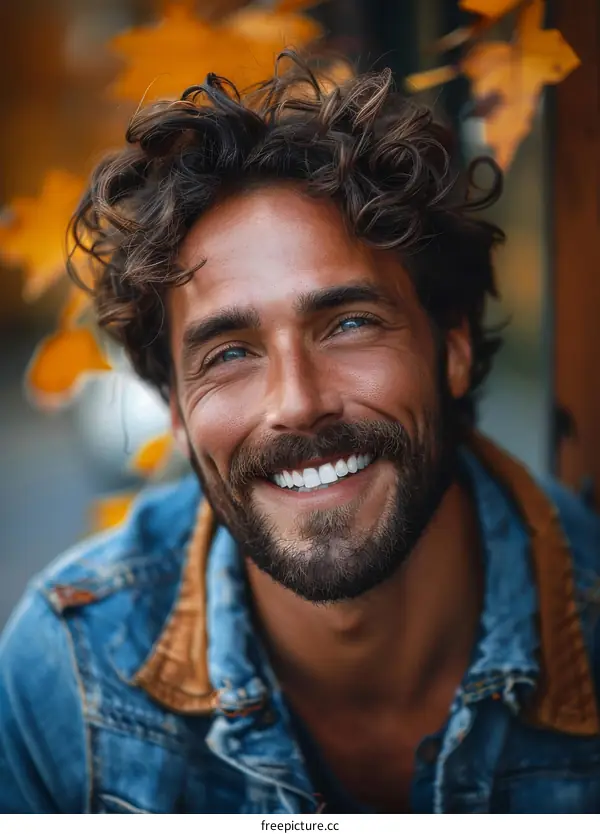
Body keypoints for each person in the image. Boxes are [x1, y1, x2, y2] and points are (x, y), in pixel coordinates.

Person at [1, 54, 599, 815]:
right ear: (179, 416)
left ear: (451, 347)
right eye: (230, 353)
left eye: (349, 324)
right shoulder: (66, 669)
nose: (296, 402)